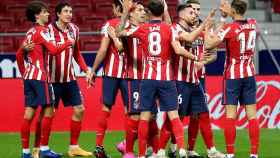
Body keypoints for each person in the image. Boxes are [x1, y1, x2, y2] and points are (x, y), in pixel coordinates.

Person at [117, 0, 203, 157]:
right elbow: (178, 49)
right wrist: (194, 57)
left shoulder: (142, 29)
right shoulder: (169, 28)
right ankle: (182, 148)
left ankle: (142, 154)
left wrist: (124, 14)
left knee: (144, 117)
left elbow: (119, 33)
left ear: (149, 13)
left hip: (148, 79)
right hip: (166, 79)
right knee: (174, 115)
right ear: (162, 12)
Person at [16, 1, 73, 158]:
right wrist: (68, 42)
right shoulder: (42, 31)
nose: (48, 14)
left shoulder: (29, 32)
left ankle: (25, 152)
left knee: (28, 115)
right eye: (45, 12)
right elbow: (54, 50)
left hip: (29, 77)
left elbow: (19, 55)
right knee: (49, 111)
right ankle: (44, 149)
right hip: (41, 77)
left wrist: (23, 75)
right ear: (37, 15)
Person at [205, 0, 259, 158]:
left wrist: (218, 21)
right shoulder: (253, 23)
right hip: (249, 74)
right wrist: (228, 13)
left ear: (233, 11)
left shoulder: (230, 28)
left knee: (230, 115)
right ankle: (254, 154)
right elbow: (240, 22)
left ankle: (230, 154)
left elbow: (209, 43)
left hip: (233, 76)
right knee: (252, 116)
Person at [47, 2, 91, 157]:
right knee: (49, 114)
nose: (69, 14)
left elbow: (77, 53)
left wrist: (87, 70)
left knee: (80, 109)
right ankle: (41, 148)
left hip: (70, 79)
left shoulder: (74, 30)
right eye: (65, 11)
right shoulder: (48, 30)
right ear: (58, 14)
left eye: (71, 11)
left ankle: (74, 146)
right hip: (51, 80)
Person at [87, 0, 128, 157]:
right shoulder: (134, 23)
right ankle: (128, 147)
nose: (112, 9)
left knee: (105, 109)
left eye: (113, 7)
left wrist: (93, 70)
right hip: (129, 75)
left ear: (118, 8)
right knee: (130, 112)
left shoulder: (109, 24)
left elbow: (103, 50)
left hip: (110, 74)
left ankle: (98, 147)